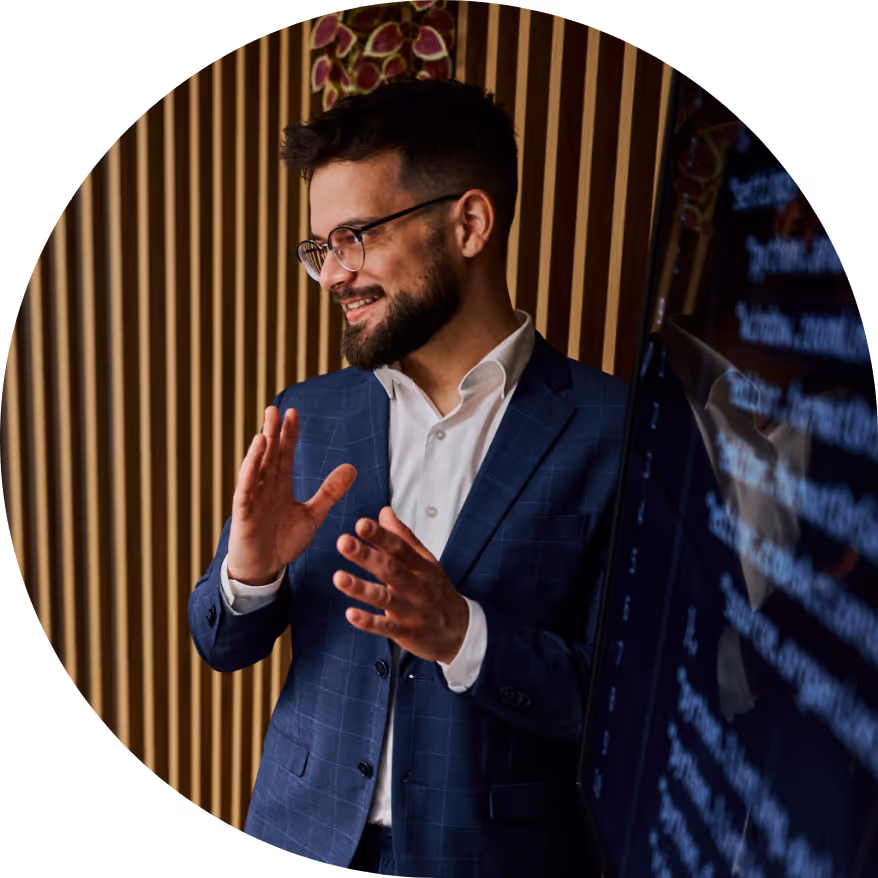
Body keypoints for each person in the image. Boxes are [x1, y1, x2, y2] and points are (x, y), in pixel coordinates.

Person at [188, 77, 627, 877]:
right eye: (319, 248)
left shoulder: (618, 432)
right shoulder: (305, 416)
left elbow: (624, 708)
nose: (329, 275)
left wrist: (464, 633)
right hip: (299, 831)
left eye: (355, 237)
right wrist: (250, 573)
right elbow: (220, 644)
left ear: (468, 223)